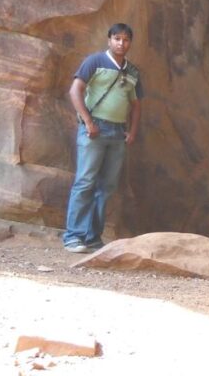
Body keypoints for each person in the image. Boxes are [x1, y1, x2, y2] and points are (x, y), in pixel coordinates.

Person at [62, 23, 143, 253]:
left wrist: (133, 131)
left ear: (130, 43)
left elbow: (137, 105)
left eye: (126, 39)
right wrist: (88, 122)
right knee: (85, 181)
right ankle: (73, 236)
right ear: (109, 40)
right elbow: (75, 91)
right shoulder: (95, 61)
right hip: (94, 130)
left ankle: (92, 237)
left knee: (106, 186)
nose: (121, 43)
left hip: (118, 133)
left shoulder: (133, 72)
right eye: (117, 38)